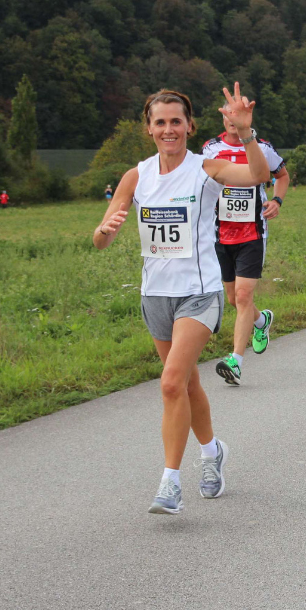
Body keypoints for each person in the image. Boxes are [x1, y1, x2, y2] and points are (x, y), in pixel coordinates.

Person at [93, 84, 268, 515]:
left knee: (171, 382)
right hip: (155, 296)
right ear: (148, 129)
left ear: (190, 126)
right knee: (186, 384)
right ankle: (212, 453)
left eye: (176, 121)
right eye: (160, 122)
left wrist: (245, 135)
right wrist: (106, 230)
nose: (168, 129)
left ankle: (170, 484)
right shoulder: (137, 176)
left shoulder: (205, 168)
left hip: (199, 294)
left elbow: (258, 176)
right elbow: (99, 238)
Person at [201, 115, 289, 385]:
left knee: (242, 296)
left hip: (252, 233)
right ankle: (261, 321)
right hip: (220, 234)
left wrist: (277, 200)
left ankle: (235, 362)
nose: (233, 122)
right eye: (229, 116)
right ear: (223, 118)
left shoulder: (261, 147)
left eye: (238, 117)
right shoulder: (211, 149)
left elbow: (282, 175)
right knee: (233, 299)